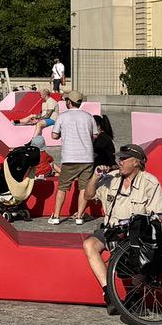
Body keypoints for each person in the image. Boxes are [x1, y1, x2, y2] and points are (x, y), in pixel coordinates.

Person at [82, 144, 162, 295]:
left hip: (136, 233)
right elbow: (88, 195)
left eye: (124, 159)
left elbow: (159, 217)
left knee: (136, 259)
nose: (120, 162)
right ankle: (108, 291)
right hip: (112, 229)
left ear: (136, 162)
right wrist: (95, 176)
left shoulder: (149, 182)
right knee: (89, 244)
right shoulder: (112, 177)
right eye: (119, 158)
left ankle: (134, 296)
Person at [47, 93, 100, 226]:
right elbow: (95, 135)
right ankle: (79, 216)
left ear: (69, 102)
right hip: (87, 158)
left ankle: (56, 216)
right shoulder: (88, 116)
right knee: (83, 188)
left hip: (69, 157)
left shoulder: (63, 116)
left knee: (63, 187)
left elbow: (54, 135)